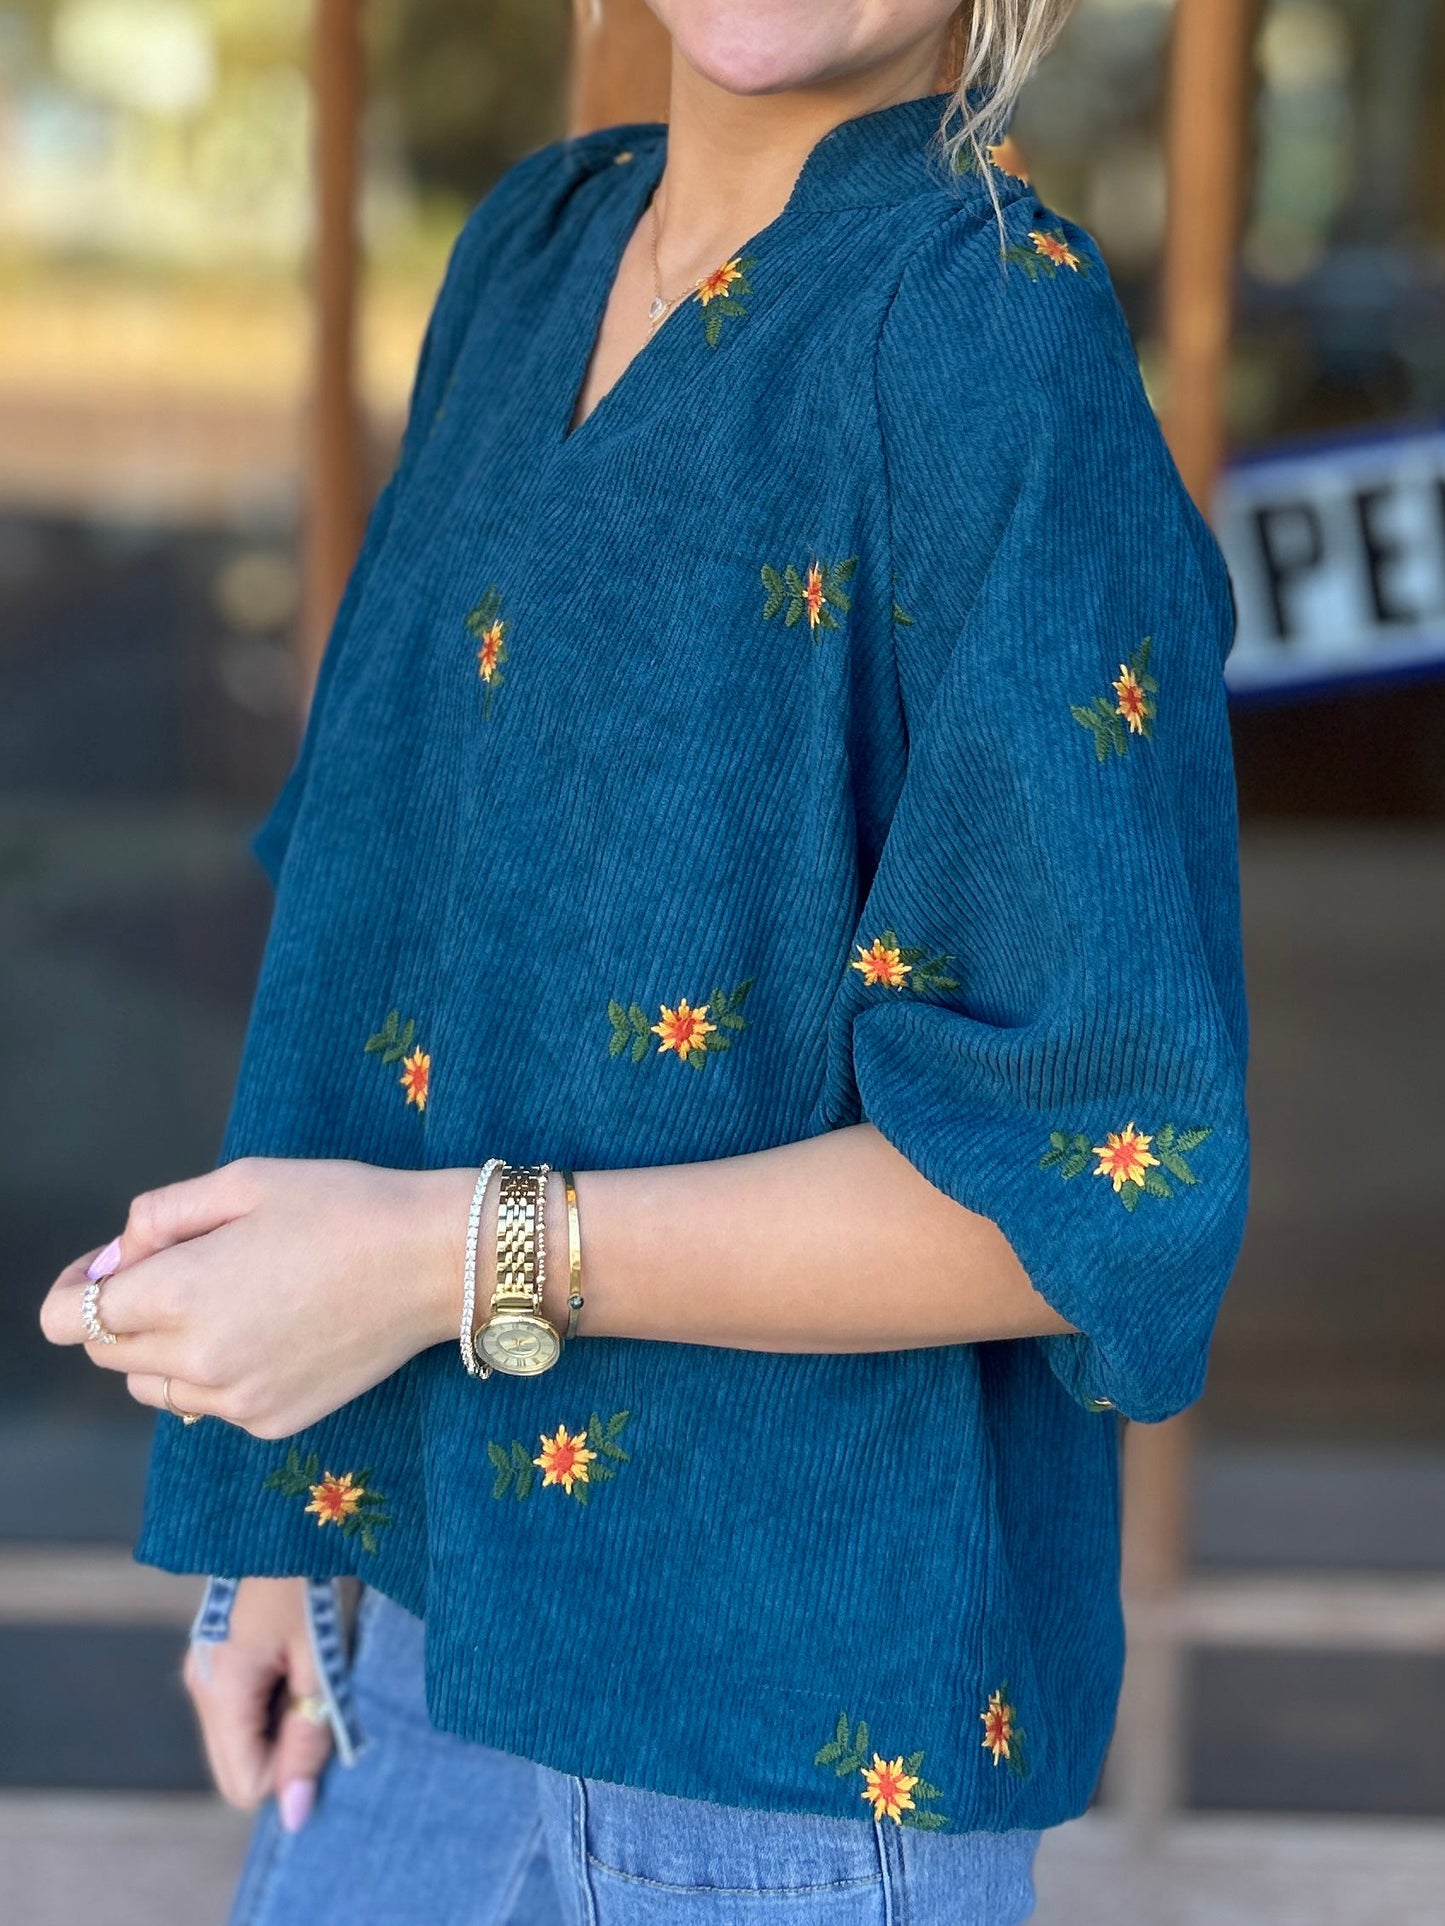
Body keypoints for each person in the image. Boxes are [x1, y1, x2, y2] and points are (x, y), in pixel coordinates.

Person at [41, 2, 1250, 1920]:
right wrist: (290, 1518)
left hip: (787, 1717)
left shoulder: (991, 346)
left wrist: (441, 1259)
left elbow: (1094, 1189)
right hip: (427, 1623)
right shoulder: (533, 248)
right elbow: (380, 919)